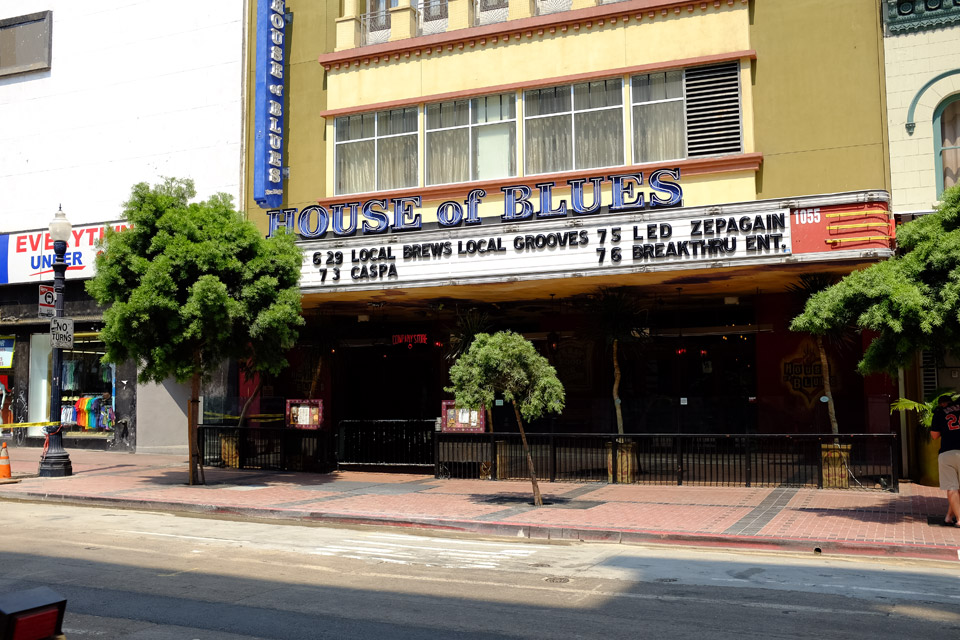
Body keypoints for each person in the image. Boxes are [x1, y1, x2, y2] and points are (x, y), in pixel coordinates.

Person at [930, 394, 960, 527]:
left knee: (952, 488)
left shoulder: (939, 413)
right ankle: (949, 516)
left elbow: (934, 436)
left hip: (947, 452)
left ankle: (959, 519)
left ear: (941, 404)